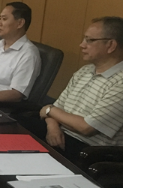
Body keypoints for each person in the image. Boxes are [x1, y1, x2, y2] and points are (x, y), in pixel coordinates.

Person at [38, 17, 123, 162]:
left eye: (89, 40)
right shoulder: (85, 71)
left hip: (88, 151)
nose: (82, 45)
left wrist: (49, 110)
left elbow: (86, 127)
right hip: (59, 135)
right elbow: (56, 108)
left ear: (110, 45)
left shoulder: (122, 81)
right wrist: (53, 127)